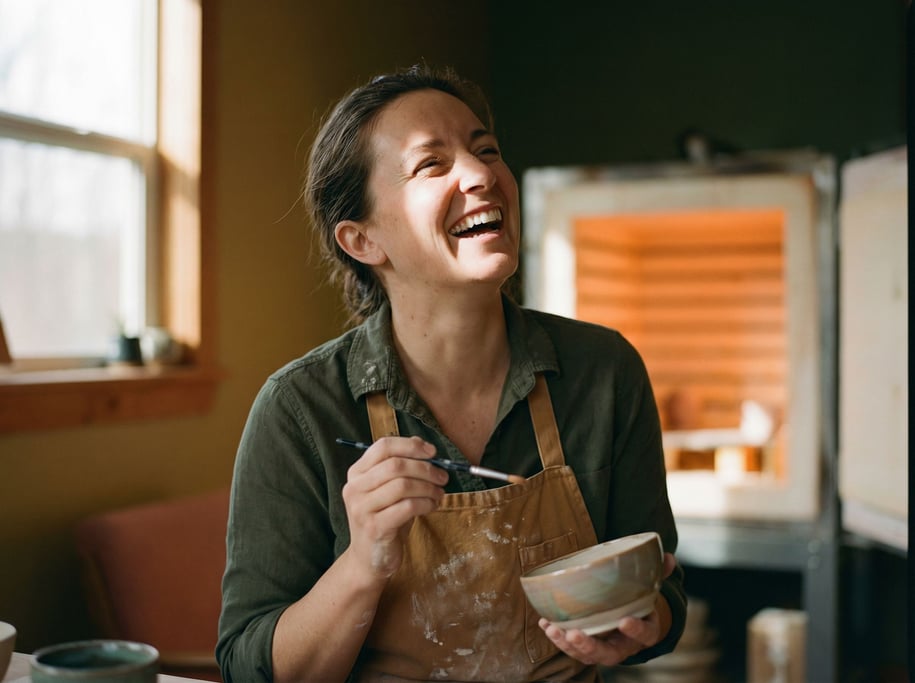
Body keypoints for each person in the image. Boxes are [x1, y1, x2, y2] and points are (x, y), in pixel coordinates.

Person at [216, 64, 687, 683]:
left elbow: (662, 589)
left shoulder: (604, 371)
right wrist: (364, 561)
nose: (482, 174)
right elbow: (251, 669)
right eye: (431, 165)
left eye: (486, 150)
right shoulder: (299, 409)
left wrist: (644, 622)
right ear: (362, 240)